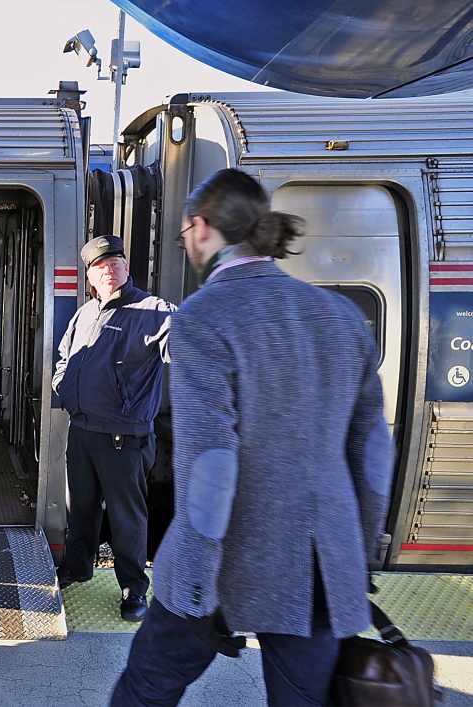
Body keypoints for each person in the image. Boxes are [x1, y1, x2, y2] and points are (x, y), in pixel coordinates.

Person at [111, 169, 392, 706]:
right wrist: (356, 557)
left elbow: (211, 465)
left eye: (185, 231)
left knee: (147, 690)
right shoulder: (340, 315)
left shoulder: (204, 316)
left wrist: (195, 586)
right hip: (318, 564)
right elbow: (373, 453)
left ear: (201, 228)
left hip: (223, 563)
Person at [52, 235, 175, 622]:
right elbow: (64, 358)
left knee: (127, 518)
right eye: (99, 267)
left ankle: (133, 590)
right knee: (81, 507)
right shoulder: (84, 313)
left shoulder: (155, 311)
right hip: (83, 430)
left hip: (125, 437)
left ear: (127, 267)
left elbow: (187, 348)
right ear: (90, 276)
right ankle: (77, 566)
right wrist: (66, 391)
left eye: (114, 263)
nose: (108, 271)